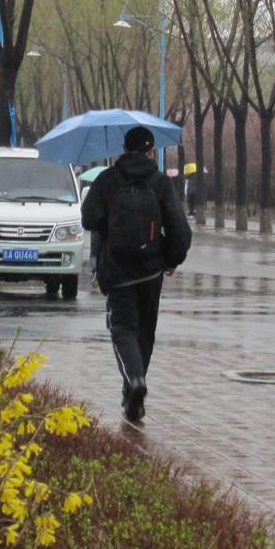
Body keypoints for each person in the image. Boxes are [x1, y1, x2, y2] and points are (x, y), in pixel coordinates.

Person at [81, 126, 192, 423]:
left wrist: (109, 219)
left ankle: (134, 380)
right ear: (151, 150)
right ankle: (135, 388)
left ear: (123, 148)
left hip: (118, 271)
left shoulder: (107, 180)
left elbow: (88, 218)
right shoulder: (160, 182)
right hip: (151, 272)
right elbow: (180, 228)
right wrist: (172, 259)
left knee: (122, 328)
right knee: (145, 330)